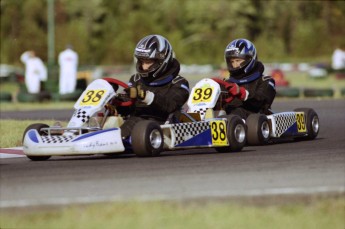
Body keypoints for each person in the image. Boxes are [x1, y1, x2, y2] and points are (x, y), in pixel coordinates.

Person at [120, 34, 190, 139]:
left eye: (148, 62)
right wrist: (117, 103)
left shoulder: (179, 82)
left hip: (163, 124)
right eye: (142, 61)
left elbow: (170, 105)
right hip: (136, 124)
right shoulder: (136, 80)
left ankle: (113, 140)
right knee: (112, 119)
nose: (144, 66)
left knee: (137, 123)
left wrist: (144, 95)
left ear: (162, 61)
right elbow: (128, 107)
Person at [221, 38, 276, 119]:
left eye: (238, 60)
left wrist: (242, 93)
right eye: (232, 62)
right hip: (230, 118)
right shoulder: (228, 83)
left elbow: (260, 101)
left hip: (256, 118)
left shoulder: (265, 80)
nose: (235, 65)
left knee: (237, 112)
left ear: (249, 59)